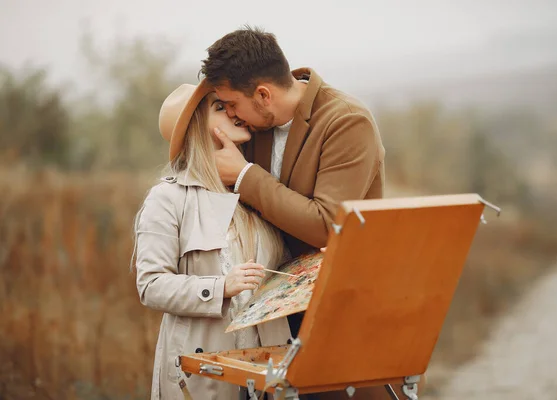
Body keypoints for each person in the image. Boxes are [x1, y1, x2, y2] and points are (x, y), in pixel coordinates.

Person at [200, 26, 392, 399]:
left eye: (232, 105)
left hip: (339, 310)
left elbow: (327, 226)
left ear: (263, 94)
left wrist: (243, 176)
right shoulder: (253, 126)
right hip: (270, 307)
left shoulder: (347, 121)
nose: (232, 116)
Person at [133, 80, 291, 400]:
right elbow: (150, 285)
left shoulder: (255, 189)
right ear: (195, 128)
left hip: (267, 375)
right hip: (202, 376)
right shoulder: (167, 199)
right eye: (220, 108)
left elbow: (283, 270)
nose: (234, 112)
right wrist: (220, 287)